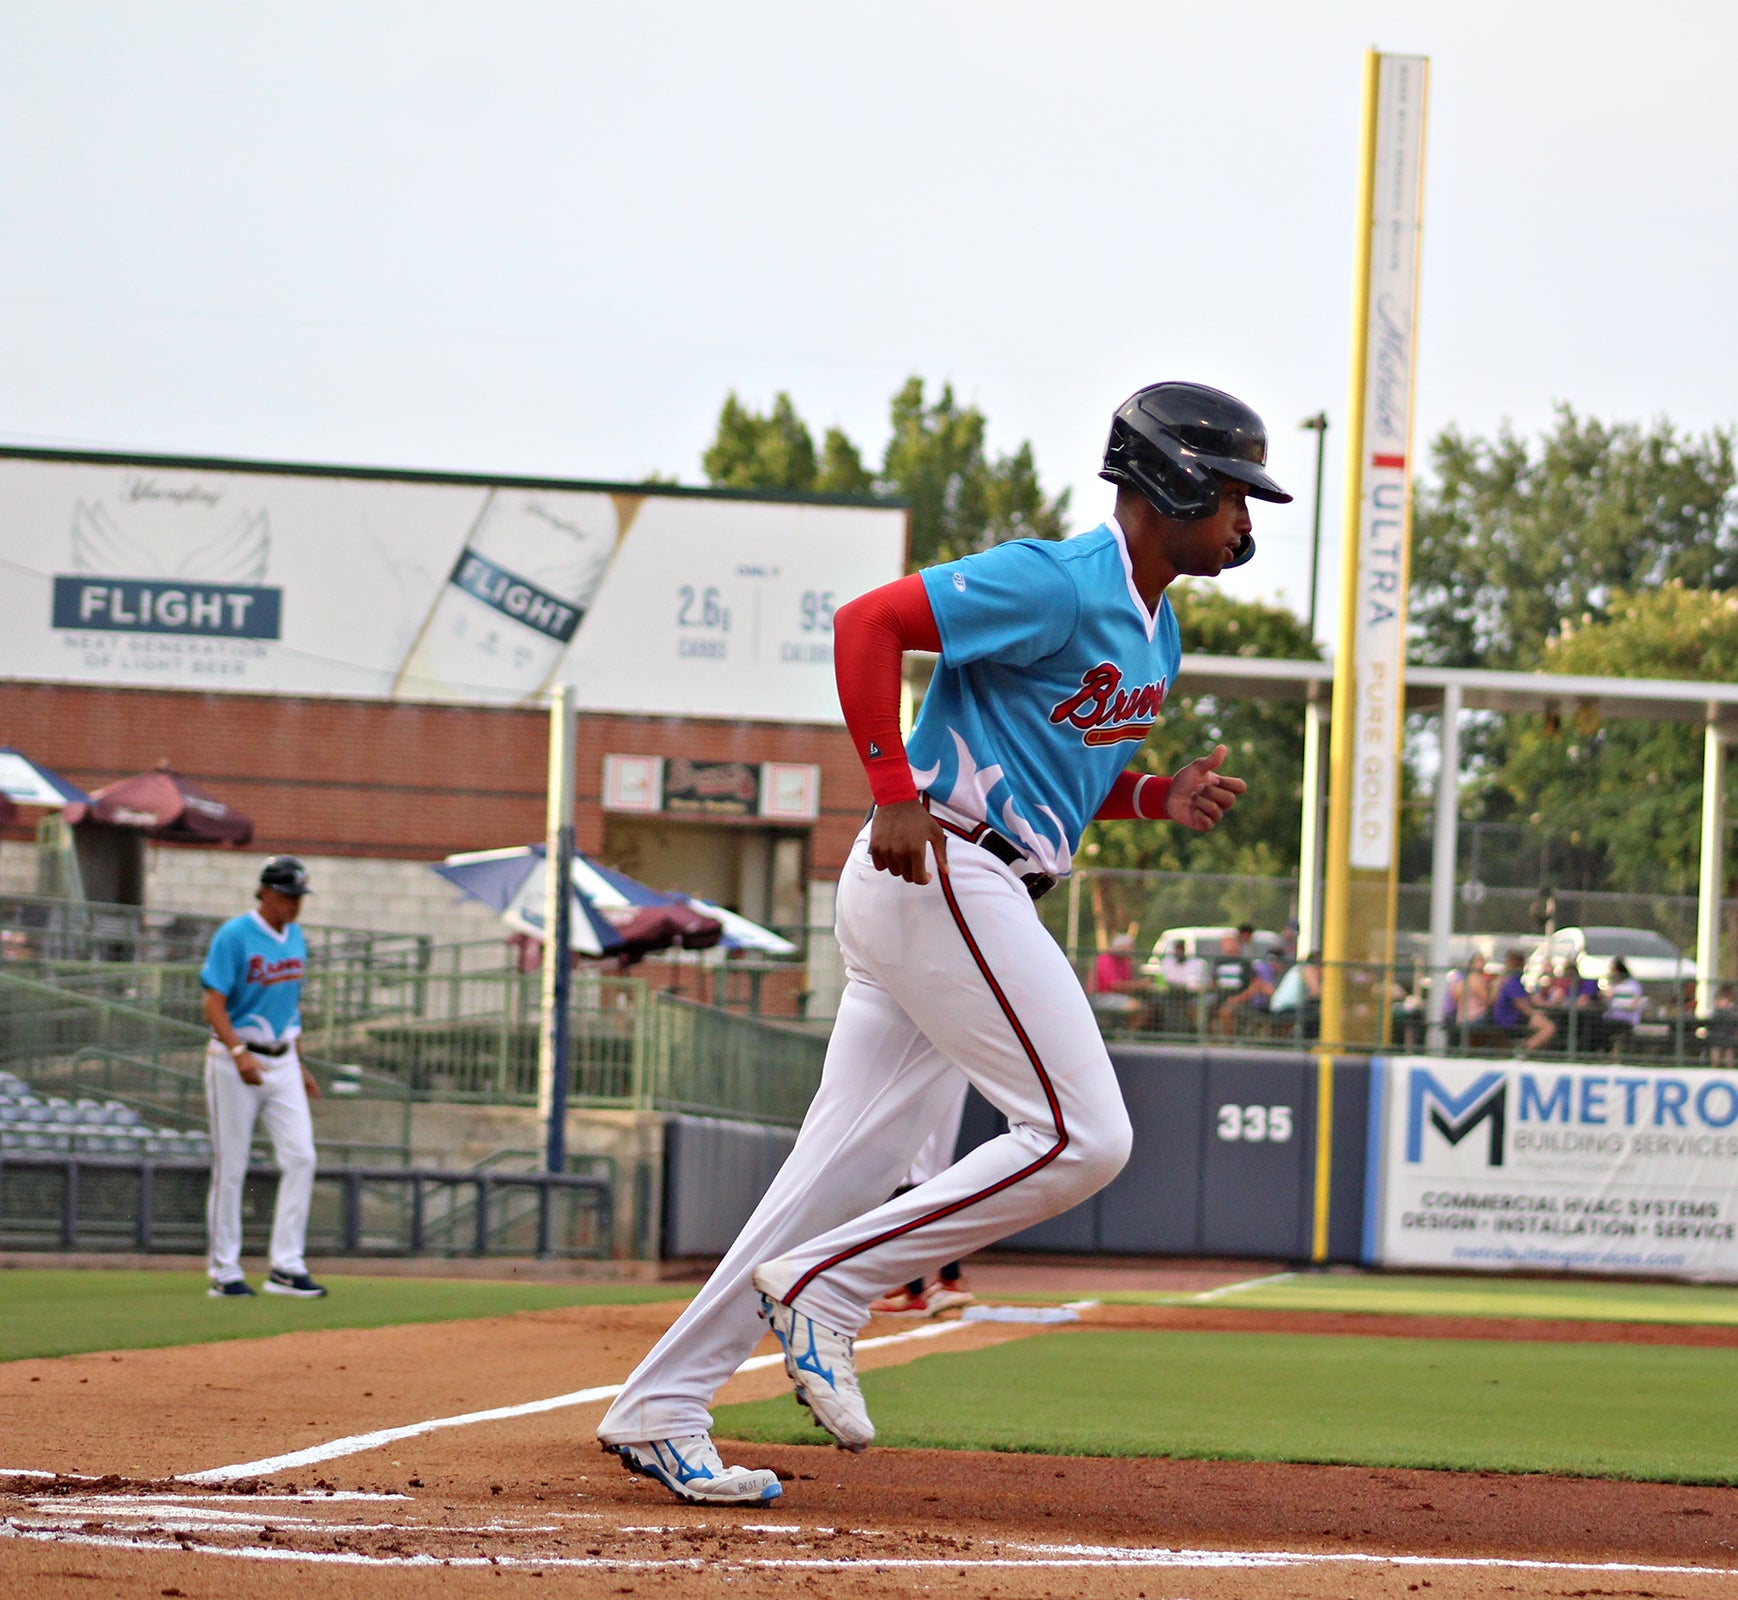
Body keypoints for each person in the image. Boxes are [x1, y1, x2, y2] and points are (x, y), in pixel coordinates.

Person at [595, 380, 1285, 1505]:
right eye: (1231, 495)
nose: (1244, 522)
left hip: (968, 880)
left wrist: (1155, 797)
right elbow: (866, 623)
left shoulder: (1158, 625)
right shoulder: (1059, 579)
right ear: (1166, 484)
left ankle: (663, 1402)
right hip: (944, 868)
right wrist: (889, 784)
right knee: (1084, 1135)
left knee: (836, 1173)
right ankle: (826, 1286)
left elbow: (1060, 772)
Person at [199, 856, 327, 1299]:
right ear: (267, 893)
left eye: (299, 898)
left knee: (302, 1157)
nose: (295, 905)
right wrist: (237, 1053)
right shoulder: (235, 935)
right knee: (232, 1167)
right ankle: (225, 1271)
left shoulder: (295, 937)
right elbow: (213, 1002)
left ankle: (286, 1267)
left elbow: (290, 1006)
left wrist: (301, 1062)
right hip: (234, 1060)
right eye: (289, 896)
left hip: (283, 1058)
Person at [868, 1079, 975, 1317]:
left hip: (921, 1073)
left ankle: (914, 1290)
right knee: (936, 1177)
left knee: (912, 1174)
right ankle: (950, 1279)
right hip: (954, 1068)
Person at [1490, 948, 1554, 1053]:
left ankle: (1532, 1049)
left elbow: (1526, 998)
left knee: (1542, 1020)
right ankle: (1524, 1048)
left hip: (1511, 1016)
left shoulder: (1509, 979)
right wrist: (1534, 1013)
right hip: (1510, 1019)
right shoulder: (1512, 980)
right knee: (1548, 1027)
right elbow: (1520, 1004)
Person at [1601, 956, 1646, 1054]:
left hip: (1626, 1020)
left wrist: (1620, 1002)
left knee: (1606, 1027)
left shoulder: (1632, 985)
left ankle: (1611, 1052)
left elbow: (1634, 1004)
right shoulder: (1612, 985)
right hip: (1611, 1018)